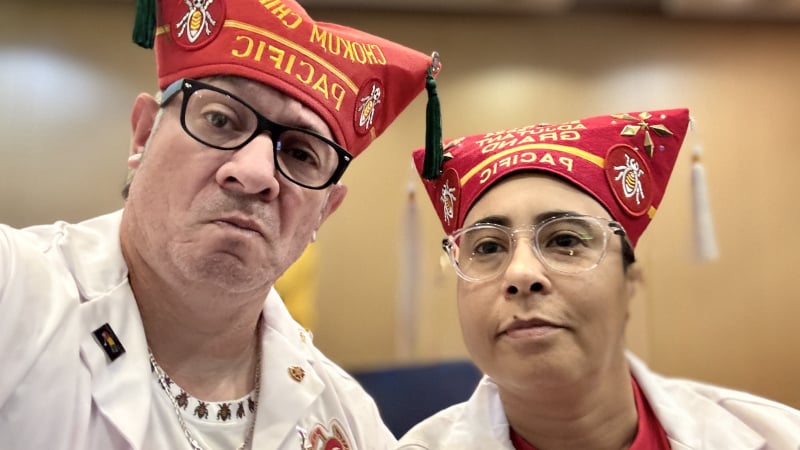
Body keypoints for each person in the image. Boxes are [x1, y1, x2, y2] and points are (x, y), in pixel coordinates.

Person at [0, 0, 441, 449]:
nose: (255, 173)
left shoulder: (349, 421)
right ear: (143, 135)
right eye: (220, 120)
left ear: (324, 213)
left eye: (300, 154)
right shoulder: (17, 295)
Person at [397, 108, 800, 449]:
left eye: (565, 240)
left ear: (630, 283)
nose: (521, 273)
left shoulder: (779, 436)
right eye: (487, 247)